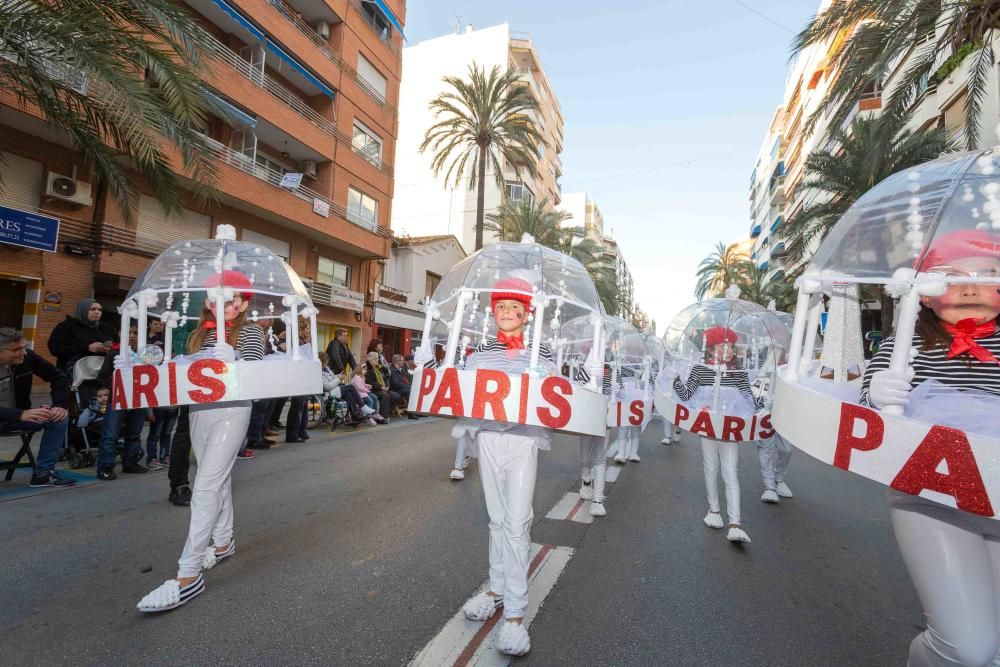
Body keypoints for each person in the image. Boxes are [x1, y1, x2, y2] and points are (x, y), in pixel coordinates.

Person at [860, 230, 1000, 667]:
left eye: (988, 273)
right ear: (923, 293)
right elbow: (864, 419)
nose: (971, 287)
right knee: (967, 647)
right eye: (952, 276)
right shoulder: (903, 346)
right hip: (932, 497)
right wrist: (876, 396)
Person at [138, 270, 266, 612]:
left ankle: (188, 573)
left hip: (232, 411)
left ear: (242, 304)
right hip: (199, 411)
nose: (223, 304)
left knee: (207, 484)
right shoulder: (198, 335)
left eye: (232, 299)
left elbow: (256, 373)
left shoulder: (251, 332)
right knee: (216, 479)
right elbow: (183, 372)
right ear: (208, 302)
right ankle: (223, 542)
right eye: (216, 297)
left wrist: (235, 360)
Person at [459, 276, 559, 657]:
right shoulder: (480, 351)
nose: (507, 313)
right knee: (497, 519)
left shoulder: (541, 353)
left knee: (517, 522)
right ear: (494, 310)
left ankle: (515, 613)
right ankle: (497, 589)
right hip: (487, 438)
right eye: (501, 307)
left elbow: (556, 395)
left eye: (514, 307)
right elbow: (464, 389)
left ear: (525, 313)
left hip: (522, 440)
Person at [667, 326, 763, 544]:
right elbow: (686, 395)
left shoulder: (738, 373)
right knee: (711, 468)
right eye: (723, 345)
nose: (727, 350)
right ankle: (714, 511)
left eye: (730, 346)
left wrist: (764, 401)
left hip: (729, 427)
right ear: (711, 349)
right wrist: (675, 379)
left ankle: (736, 523)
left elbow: (749, 399)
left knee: (731, 471)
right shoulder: (700, 370)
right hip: (708, 425)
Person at [0, 327, 75, 487]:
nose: (23, 352)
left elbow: (59, 377)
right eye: (16, 349)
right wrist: (19, 414)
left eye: (24, 347)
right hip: (14, 416)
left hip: (19, 416)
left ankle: (43, 473)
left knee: (58, 418)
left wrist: (60, 405)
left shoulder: (27, 358)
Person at [95, 323, 149, 480]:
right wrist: (117, 385)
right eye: (128, 332)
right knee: (110, 434)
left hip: (138, 399)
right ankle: (105, 466)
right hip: (117, 399)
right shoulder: (114, 354)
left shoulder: (144, 354)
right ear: (120, 333)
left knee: (134, 433)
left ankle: (130, 462)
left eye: (136, 332)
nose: (132, 335)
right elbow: (103, 376)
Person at [47, 298, 117, 372]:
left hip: (100, 373)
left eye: (100, 310)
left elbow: (117, 344)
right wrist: (87, 347)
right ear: (83, 310)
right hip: (73, 373)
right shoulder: (67, 326)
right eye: (92, 309)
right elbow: (55, 349)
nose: (97, 312)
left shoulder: (107, 328)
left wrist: (110, 348)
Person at [757, 433, 794, 503]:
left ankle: (777, 479)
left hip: (784, 422)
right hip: (764, 422)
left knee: (787, 450)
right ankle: (769, 487)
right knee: (765, 448)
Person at [365, 351, 398, 421]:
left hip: (382, 388)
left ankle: (386, 413)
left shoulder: (379, 367)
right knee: (385, 395)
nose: (377, 360)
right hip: (373, 389)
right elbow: (369, 382)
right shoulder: (367, 369)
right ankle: (383, 417)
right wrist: (381, 387)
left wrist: (387, 386)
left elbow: (386, 378)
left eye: (378, 358)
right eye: (375, 358)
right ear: (369, 359)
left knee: (396, 396)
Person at [389, 353, 419, 419]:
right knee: (410, 391)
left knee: (415, 390)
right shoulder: (392, 370)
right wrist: (408, 387)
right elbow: (396, 384)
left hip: (402, 388)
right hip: (396, 389)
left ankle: (417, 411)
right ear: (397, 361)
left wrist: (410, 386)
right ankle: (411, 414)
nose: (403, 362)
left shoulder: (401, 369)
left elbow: (406, 380)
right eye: (402, 360)